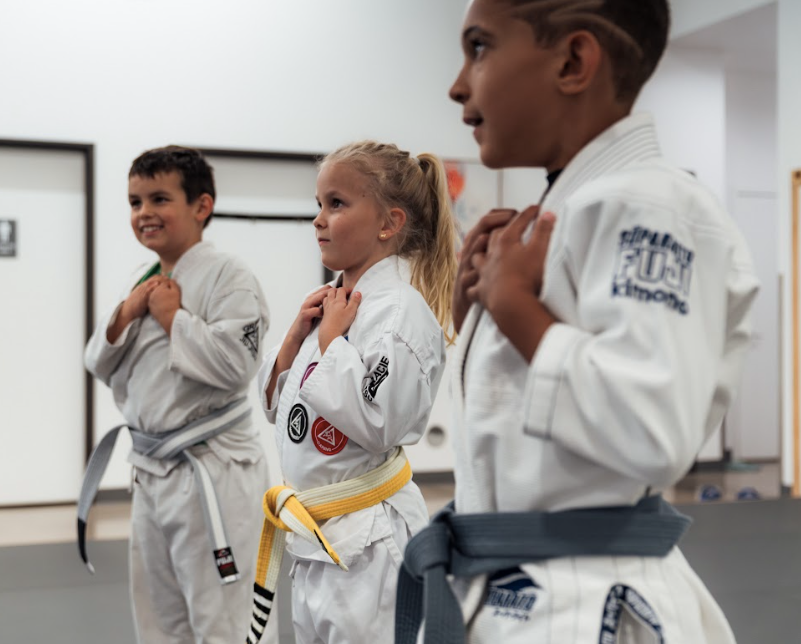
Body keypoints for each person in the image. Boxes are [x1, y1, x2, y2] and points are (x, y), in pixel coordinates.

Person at [397, 1, 759, 642]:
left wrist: (517, 312)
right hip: (515, 585)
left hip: (584, 600)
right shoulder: (565, 210)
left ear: (572, 62)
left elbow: (655, 430)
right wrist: (476, 313)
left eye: (479, 48)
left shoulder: (650, 206)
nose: (457, 83)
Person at [248, 141, 458, 644]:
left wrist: (328, 346)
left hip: (369, 545)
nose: (319, 220)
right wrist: (295, 342)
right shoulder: (334, 304)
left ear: (388, 222)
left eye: (336, 204)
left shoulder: (401, 311)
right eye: (318, 205)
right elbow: (284, 412)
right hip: (315, 538)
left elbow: (383, 422)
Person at [78, 145, 276, 644]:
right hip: (151, 472)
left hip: (213, 470)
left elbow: (236, 365)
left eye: (159, 199)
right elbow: (98, 363)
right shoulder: (143, 280)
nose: (144, 213)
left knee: (224, 618)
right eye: (135, 202)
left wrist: (174, 319)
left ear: (201, 206)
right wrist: (126, 313)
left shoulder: (231, 276)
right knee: (159, 616)